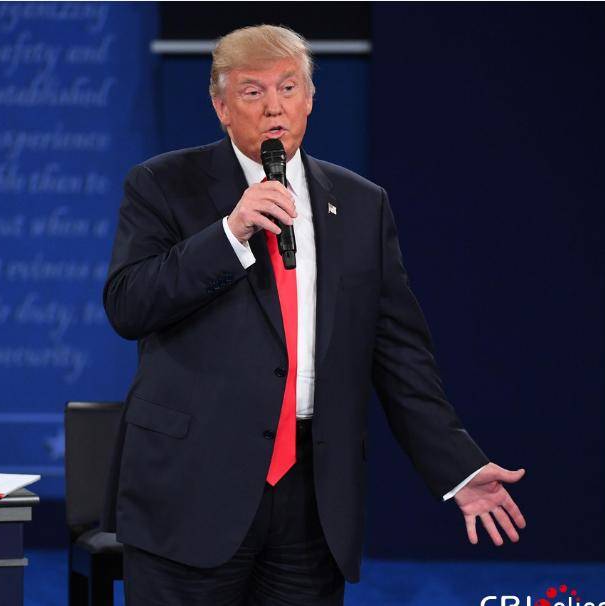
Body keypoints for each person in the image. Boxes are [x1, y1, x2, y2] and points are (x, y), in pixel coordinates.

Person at [101, 24, 527, 606]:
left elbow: (400, 356)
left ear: (310, 99)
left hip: (312, 501)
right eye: (252, 92)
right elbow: (128, 304)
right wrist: (230, 234)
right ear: (221, 107)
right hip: (192, 489)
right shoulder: (162, 184)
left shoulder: (361, 203)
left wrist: (457, 467)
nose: (273, 106)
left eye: (288, 87)